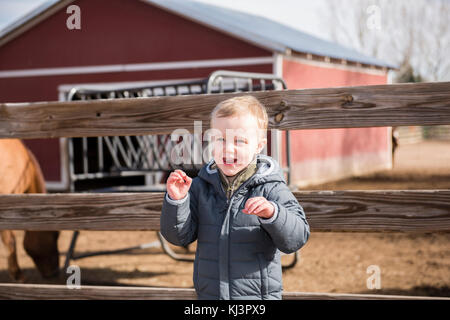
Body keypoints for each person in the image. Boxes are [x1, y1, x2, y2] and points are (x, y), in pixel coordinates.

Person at [160, 95, 310, 300]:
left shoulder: (271, 187)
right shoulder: (200, 187)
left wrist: (273, 214)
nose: (228, 148)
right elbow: (178, 237)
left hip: (256, 298)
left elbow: (297, 237)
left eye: (239, 141)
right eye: (219, 139)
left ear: (259, 146)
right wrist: (177, 201)